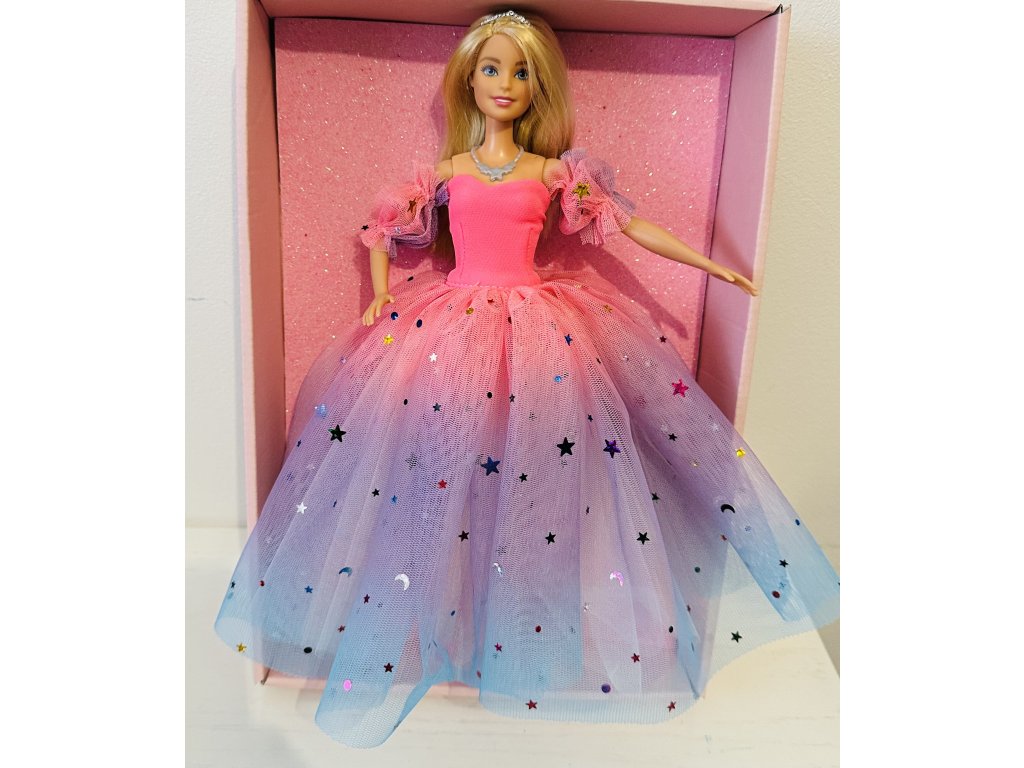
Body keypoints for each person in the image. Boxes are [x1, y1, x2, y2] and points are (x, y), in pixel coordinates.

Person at [214, 9, 839, 749]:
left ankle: (522, 632)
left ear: (537, 87)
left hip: (541, 329)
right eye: (491, 69)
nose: (505, 84)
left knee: (533, 472)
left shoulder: (554, 173)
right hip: (451, 329)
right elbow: (381, 228)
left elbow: (631, 225)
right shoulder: (448, 173)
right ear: (468, 80)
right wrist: (381, 294)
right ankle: (429, 623)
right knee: (436, 469)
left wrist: (711, 264)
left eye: (520, 72)